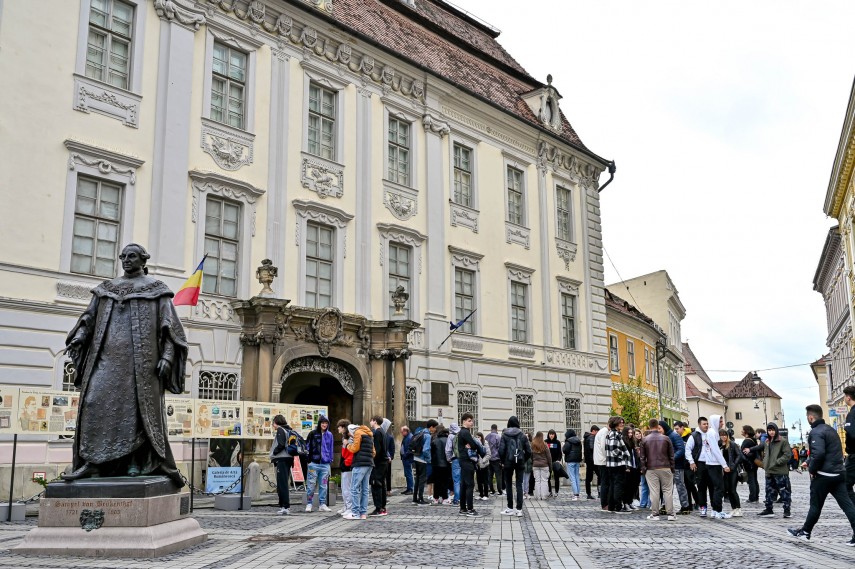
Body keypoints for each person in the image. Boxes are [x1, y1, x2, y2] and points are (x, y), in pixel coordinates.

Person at [62, 243, 187, 485]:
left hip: (140, 366)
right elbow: (89, 318)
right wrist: (79, 337)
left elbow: (170, 328)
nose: (126, 260)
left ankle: (134, 463)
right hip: (105, 360)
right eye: (123, 256)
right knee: (92, 402)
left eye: (132, 256)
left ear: (143, 260)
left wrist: (167, 357)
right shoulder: (107, 289)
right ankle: (92, 463)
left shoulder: (155, 290)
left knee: (135, 413)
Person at [788, 404, 855, 544]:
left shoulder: (816, 432)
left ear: (811, 417)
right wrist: (808, 460)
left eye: (807, 417)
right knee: (848, 506)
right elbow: (829, 452)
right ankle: (805, 530)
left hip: (823, 476)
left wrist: (812, 469)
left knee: (815, 506)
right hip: (838, 474)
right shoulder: (831, 430)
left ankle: (805, 532)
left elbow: (819, 454)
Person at [686, 415, 731, 519]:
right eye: (704, 424)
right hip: (700, 463)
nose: (706, 426)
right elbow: (688, 449)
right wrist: (692, 462)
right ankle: (703, 507)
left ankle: (714, 509)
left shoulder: (712, 433)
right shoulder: (695, 436)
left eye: (707, 424)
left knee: (712, 486)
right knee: (701, 486)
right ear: (699, 425)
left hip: (710, 463)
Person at [749, 422, 792, 519]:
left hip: (780, 471)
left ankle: (787, 510)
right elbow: (766, 454)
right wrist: (765, 464)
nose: (771, 432)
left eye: (773, 430)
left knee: (784, 491)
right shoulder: (767, 442)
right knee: (769, 491)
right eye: (769, 430)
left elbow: (787, 455)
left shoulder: (782, 441)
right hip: (769, 471)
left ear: (776, 430)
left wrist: (777, 462)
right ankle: (769, 509)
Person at [639, 418, 675, 521]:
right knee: (667, 491)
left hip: (651, 468)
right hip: (665, 466)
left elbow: (642, 457)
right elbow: (671, 455)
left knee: (654, 491)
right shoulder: (666, 438)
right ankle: (671, 514)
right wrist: (672, 468)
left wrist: (644, 468)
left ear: (649, 426)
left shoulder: (645, 439)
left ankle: (655, 514)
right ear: (657, 425)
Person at [498, 415, 531, 517]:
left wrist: (503, 461)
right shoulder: (522, 435)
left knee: (508, 484)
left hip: (508, 463)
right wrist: (523, 459)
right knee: (519, 484)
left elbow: (501, 450)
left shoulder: (504, 435)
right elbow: (529, 451)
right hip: (520, 462)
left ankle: (510, 508)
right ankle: (519, 509)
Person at [456, 412, 486, 515]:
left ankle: (463, 508)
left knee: (464, 485)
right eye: (469, 421)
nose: (472, 423)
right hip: (467, 461)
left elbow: (472, 445)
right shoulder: (465, 432)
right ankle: (470, 509)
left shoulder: (463, 432)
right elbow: (473, 445)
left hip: (463, 460)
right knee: (470, 485)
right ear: (464, 421)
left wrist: (472, 445)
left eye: (472, 420)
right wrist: (474, 445)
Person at [344, 423, 375, 520]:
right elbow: (374, 452)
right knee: (365, 489)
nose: (350, 435)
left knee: (354, 488)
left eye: (349, 433)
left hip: (360, 464)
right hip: (369, 463)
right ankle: (363, 513)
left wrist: (347, 445)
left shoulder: (358, 433)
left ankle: (355, 513)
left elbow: (355, 448)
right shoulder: (369, 434)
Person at [305, 415, 334, 512]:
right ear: (319, 423)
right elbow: (307, 446)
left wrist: (330, 459)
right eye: (323, 423)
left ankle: (322, 504)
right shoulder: (313, 433)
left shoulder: (330, 435)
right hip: (314, 463)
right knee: (311, 484)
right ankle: (309, 503)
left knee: (324, 485)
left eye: (326, 423)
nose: (324, 425)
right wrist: (308, 460)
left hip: (325, 464)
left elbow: (331, 448)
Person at [660, 420, 689, 514]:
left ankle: (685, 507)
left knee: (680, 486)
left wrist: (671, 459)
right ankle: (665, 506)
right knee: (667, 487)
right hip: (668, 465)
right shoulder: (667, 436)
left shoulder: (674, 435)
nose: (659, 430)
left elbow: (681, 449)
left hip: (677, 466)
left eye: (660, 428)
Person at [605, 416, 630, 513]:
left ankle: (612, 506)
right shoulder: (614, 434)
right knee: (618, 485)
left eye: (623, 422)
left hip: (612, 464)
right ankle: (617, 506)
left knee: (613, 485)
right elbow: (613, 449)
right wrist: (624, 455)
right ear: (615, 423)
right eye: (620, 422)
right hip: (617, 463)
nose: (622, 424)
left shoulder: (612, 433)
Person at [270, 415, 294, 515]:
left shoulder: (280, 430)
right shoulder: (288, 429)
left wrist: (274, 452)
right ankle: (284, 506)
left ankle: (285, 506)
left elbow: (281, 444)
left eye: (273, 423)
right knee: (284, 483)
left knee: (282, 484)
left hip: (282, 459)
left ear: (277, 422)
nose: (272, 425)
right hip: (288, 459)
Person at [369, 416, 391, 516]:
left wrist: (372, 460)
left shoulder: (377, 432)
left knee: (376, 484)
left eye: (371, 421)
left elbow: (376, 450)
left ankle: (378, 508)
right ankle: (382, 507)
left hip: (378, 463)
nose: (370, 422)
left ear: (375, 421)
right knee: (382, 484)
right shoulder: (383, 431)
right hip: (383, 462)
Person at [412, 420, 437, 505]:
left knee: (417, 479)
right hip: (422, 459)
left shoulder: (421, 432)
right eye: (435, 427)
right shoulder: (428, 436)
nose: (435, 429)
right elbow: (426, 449)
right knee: (422, 480)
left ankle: (415, 498)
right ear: (431, 427)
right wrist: (429, 459)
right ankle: (421, 499)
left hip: (416, 457)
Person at [719, 429, 743, 517]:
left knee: (733, 490)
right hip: (724, 471)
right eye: (721, 435)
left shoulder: (732, 444)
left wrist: (733, 466)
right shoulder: (720, 445)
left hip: (733, 471)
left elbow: (739, 455)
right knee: (728, 490)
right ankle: (733, 508)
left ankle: (739, 508)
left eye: (725, 435)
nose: (723, 436)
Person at [337, 419, 354, 517]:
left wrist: (346, 463)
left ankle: (349, 507)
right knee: (344, 488)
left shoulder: (350, 439)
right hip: (345, 465)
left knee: (347, 488)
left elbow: (350, 453)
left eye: (339, 426)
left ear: (343, 427)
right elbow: (344, 453)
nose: (338, 428)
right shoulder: (345, 438)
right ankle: (346, 506)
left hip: (348, 466)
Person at [740, 425, 761, 503]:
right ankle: (756, 496)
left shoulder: (747, 441)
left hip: (749, 463)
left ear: (746, 431)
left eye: (742, 430)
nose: (741, 431)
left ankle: (752, 497)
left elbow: (743, 453)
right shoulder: (753, 440)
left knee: (751, 480)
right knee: (754, 480)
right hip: (754, 463)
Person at [431, 424, 451, 504]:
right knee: (445, 482)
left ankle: (436, 498)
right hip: (446, 464)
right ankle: (444, 498)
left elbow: (431, 453)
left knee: (436, 482)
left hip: (436, 464)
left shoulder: (434, 440)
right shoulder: (447, 440)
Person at [622, 426, 640, 511]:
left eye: (631, 433)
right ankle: (625, 503)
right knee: (627, 486)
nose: (630, 434)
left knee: (634, 485)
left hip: (634, 466)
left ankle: (630, 502)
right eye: (628, 433)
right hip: (628, 467)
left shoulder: (633, 442)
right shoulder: (624, 442)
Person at [531, 431, 552, 500]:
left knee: (537, 481)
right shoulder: (545, 445)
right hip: (544, 465)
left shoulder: (533, 445)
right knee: (544, 481)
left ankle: (538, 496)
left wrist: (533, 462)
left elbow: (531, 456)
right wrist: (550, 466)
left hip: (535, 465)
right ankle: (544, 495)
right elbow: (549, 457)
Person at [563, 428, 582, 500]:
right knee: (577, 477)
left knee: (572, 478)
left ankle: (575, 494)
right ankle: (578, 494)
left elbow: (565, 450)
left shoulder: (568, 441)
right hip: (577, 460)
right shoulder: (578, 441)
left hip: (570, 461)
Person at [843, 385, 855, 506]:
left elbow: (851, 433)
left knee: (845, 485)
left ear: (848, 397)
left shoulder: (852, 413)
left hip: (853, 456)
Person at [594, 423, 609, 510]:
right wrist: (607, 457)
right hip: (603, 460)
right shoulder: (604, 432)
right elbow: (603, 447)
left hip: (601, 460)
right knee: (604, 482)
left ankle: (605, 503)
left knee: (604, 482)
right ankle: (604, 504)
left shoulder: (603, 431)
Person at [446, 423, 462, 506]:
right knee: (462, 480)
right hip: (463, 459)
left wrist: (449, 459)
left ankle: (456, 499)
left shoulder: (451, 436)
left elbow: (448, 450)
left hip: (455, 459)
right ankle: (463, 498)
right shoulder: (462, 434)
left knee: (456, 480)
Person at [486, 424, 504, 496]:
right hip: (496, 459)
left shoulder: (487, 437)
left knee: (490, 475)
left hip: (489, 459)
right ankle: (499, 490)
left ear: (491, 428)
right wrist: (501, 460)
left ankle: (492, 490)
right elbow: (500, 449)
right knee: (498, 476)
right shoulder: (498, 437)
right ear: (497, 429)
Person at [583, 425, 600, 500]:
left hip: (589, 460)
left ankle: (588, 493)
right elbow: (592, 447)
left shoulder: (586, 437)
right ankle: (599, 493)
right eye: (597, 432)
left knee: (588, 478)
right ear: (594, 431)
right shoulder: (592, 437)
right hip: (593, 460)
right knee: (600, 476)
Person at [545, 429, 562, 497]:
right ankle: (549, 491)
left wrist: (558, 460)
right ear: (548, 435)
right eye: (550, 434)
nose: (551, 435)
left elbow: (559, 453)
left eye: (552, 434)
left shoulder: (557, 442)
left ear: (554, 435)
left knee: (556, 477)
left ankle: (556, 491)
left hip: (555, 461)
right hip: (548, 462)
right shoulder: (545, 442)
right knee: (548, 477)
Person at [476, 432, 491, 500]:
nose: (478, 438)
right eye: (476, 437)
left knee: (485, 480)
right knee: (479, 480)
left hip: (484, 464)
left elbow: (488, 454)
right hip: (478, 465)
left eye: (479, 437)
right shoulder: (475, 444)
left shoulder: (485, 443)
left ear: (481, 437)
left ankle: (486, 494)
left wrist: (483, 461)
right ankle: (481, 494)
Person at [400, 425, 414, 495]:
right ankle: (409, 488)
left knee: (408, 474)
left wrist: (405, 455)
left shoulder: (409, 437)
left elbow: (410, 449)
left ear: (406, 431)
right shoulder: (407, 437)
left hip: (407, 458)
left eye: (402, 432)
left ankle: (410, 489)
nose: (401, 433)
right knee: (407, 474)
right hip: (406, 458)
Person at [385, 426, 395, 495]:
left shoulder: (390, 437)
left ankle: (388, 489)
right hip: (381, 458)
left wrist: (391, 457)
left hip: (387, 458)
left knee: (388, 475)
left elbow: (392, 448)